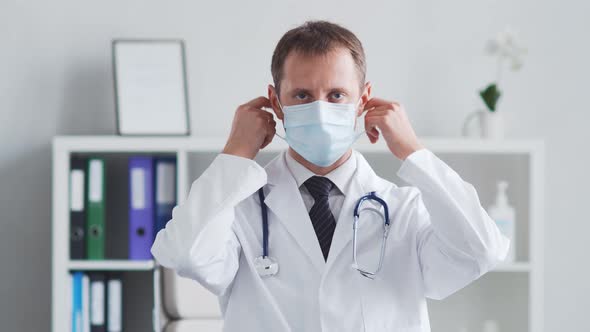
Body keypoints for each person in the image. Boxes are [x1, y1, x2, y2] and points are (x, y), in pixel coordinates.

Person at [151, 20, 510, 331]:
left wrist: (414, 153)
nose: (320, 111)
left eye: (336, 94)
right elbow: (184, 254)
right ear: (276, 103)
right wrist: (235, 154)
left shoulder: (404, 210)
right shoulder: (239, 208)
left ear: (363, 99)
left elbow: (482, 251)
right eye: (302, 95)